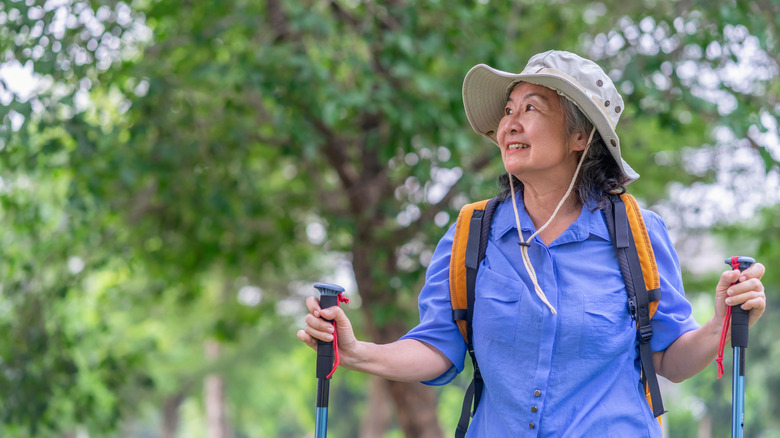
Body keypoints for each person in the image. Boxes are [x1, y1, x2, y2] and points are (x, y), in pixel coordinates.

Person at [296, 50, 767, 436]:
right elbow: (440, 348)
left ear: (580, 136)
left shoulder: (637, 232)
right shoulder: (470, 232)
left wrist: (720, 322)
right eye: (508, 110)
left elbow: (670, 359)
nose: (510, 124)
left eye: (532, 108)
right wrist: (357, 352)